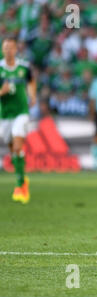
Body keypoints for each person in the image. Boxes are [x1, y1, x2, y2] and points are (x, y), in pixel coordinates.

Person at [0, 37, 36, 204]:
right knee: (12, 149)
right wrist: (2, 92)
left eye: (11, 47)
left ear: (16, 49)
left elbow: (31, 80)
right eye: (5, 47)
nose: (8, 50)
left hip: (21, 112)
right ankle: (22, 179)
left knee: (17, 145)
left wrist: (32, 95)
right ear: (2, 49)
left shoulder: (23, 67)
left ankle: (20, 185)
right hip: (5, 115)